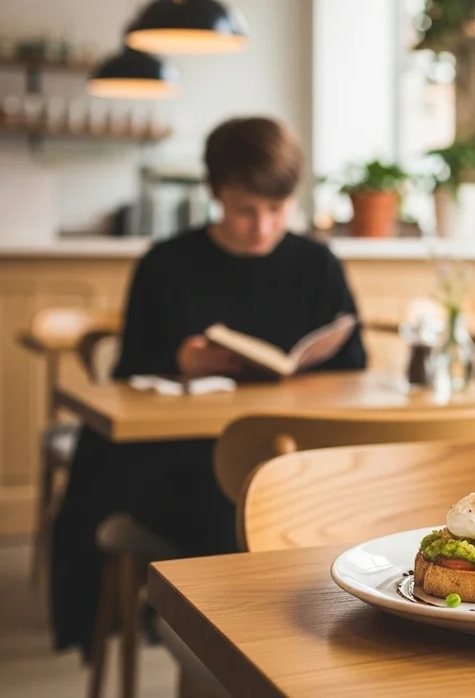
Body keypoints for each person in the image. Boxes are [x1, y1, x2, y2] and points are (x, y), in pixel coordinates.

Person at [51, 117, 367, 657]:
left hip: (287, 455)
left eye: (278, 208)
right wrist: (179, 359)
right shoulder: (167, 264)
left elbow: (355, 362)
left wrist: (303, 368)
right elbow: (129, 372)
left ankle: (292, 638)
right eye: (247, 210)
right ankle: (230, 646)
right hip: (185, 454)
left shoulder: (317, 263)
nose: (263, 226)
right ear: (217, 193)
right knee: (226, 511)